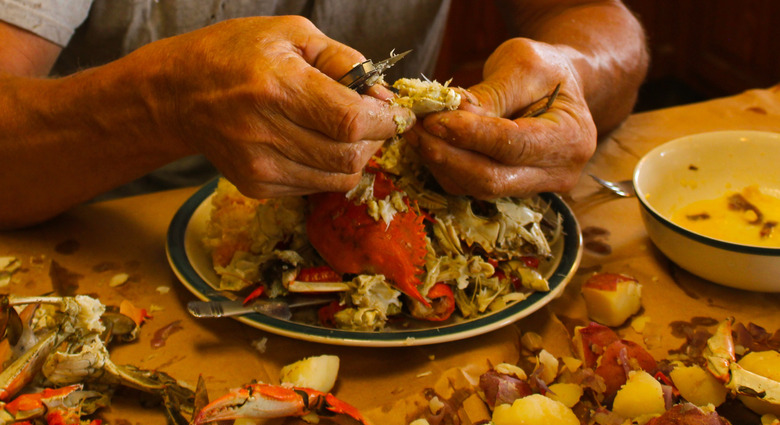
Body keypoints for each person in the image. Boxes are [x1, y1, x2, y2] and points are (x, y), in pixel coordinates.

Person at [0, 0, 648, 230]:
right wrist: (164, 102)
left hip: (389, 262)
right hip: (108, 247)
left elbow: (606, 27)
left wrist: (574, 70)